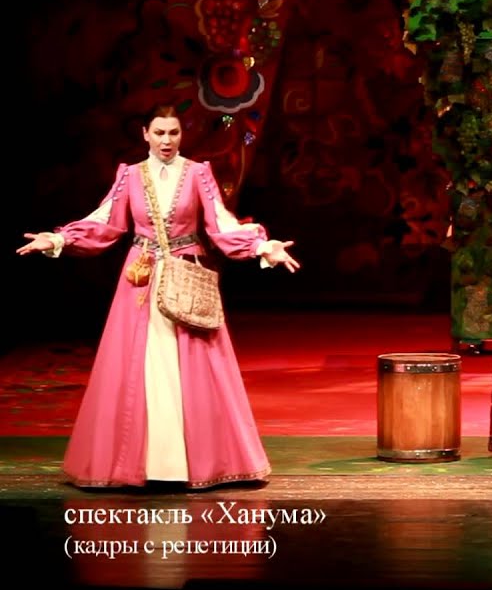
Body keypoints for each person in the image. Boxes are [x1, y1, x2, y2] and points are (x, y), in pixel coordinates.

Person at [16, 104, 300, 490]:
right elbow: (104, 220)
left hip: (184, 273)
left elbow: (221, 223)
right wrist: (59, 239)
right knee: (138, 366)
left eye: (174, 133)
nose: (167, 140)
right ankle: (144, 463)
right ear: (145, 134)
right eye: (160, 133)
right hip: (141, 279)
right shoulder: (130, 176)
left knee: (194, 366)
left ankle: (196, 464)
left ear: (182, 135)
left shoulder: (198, 173)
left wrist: (263, 246)